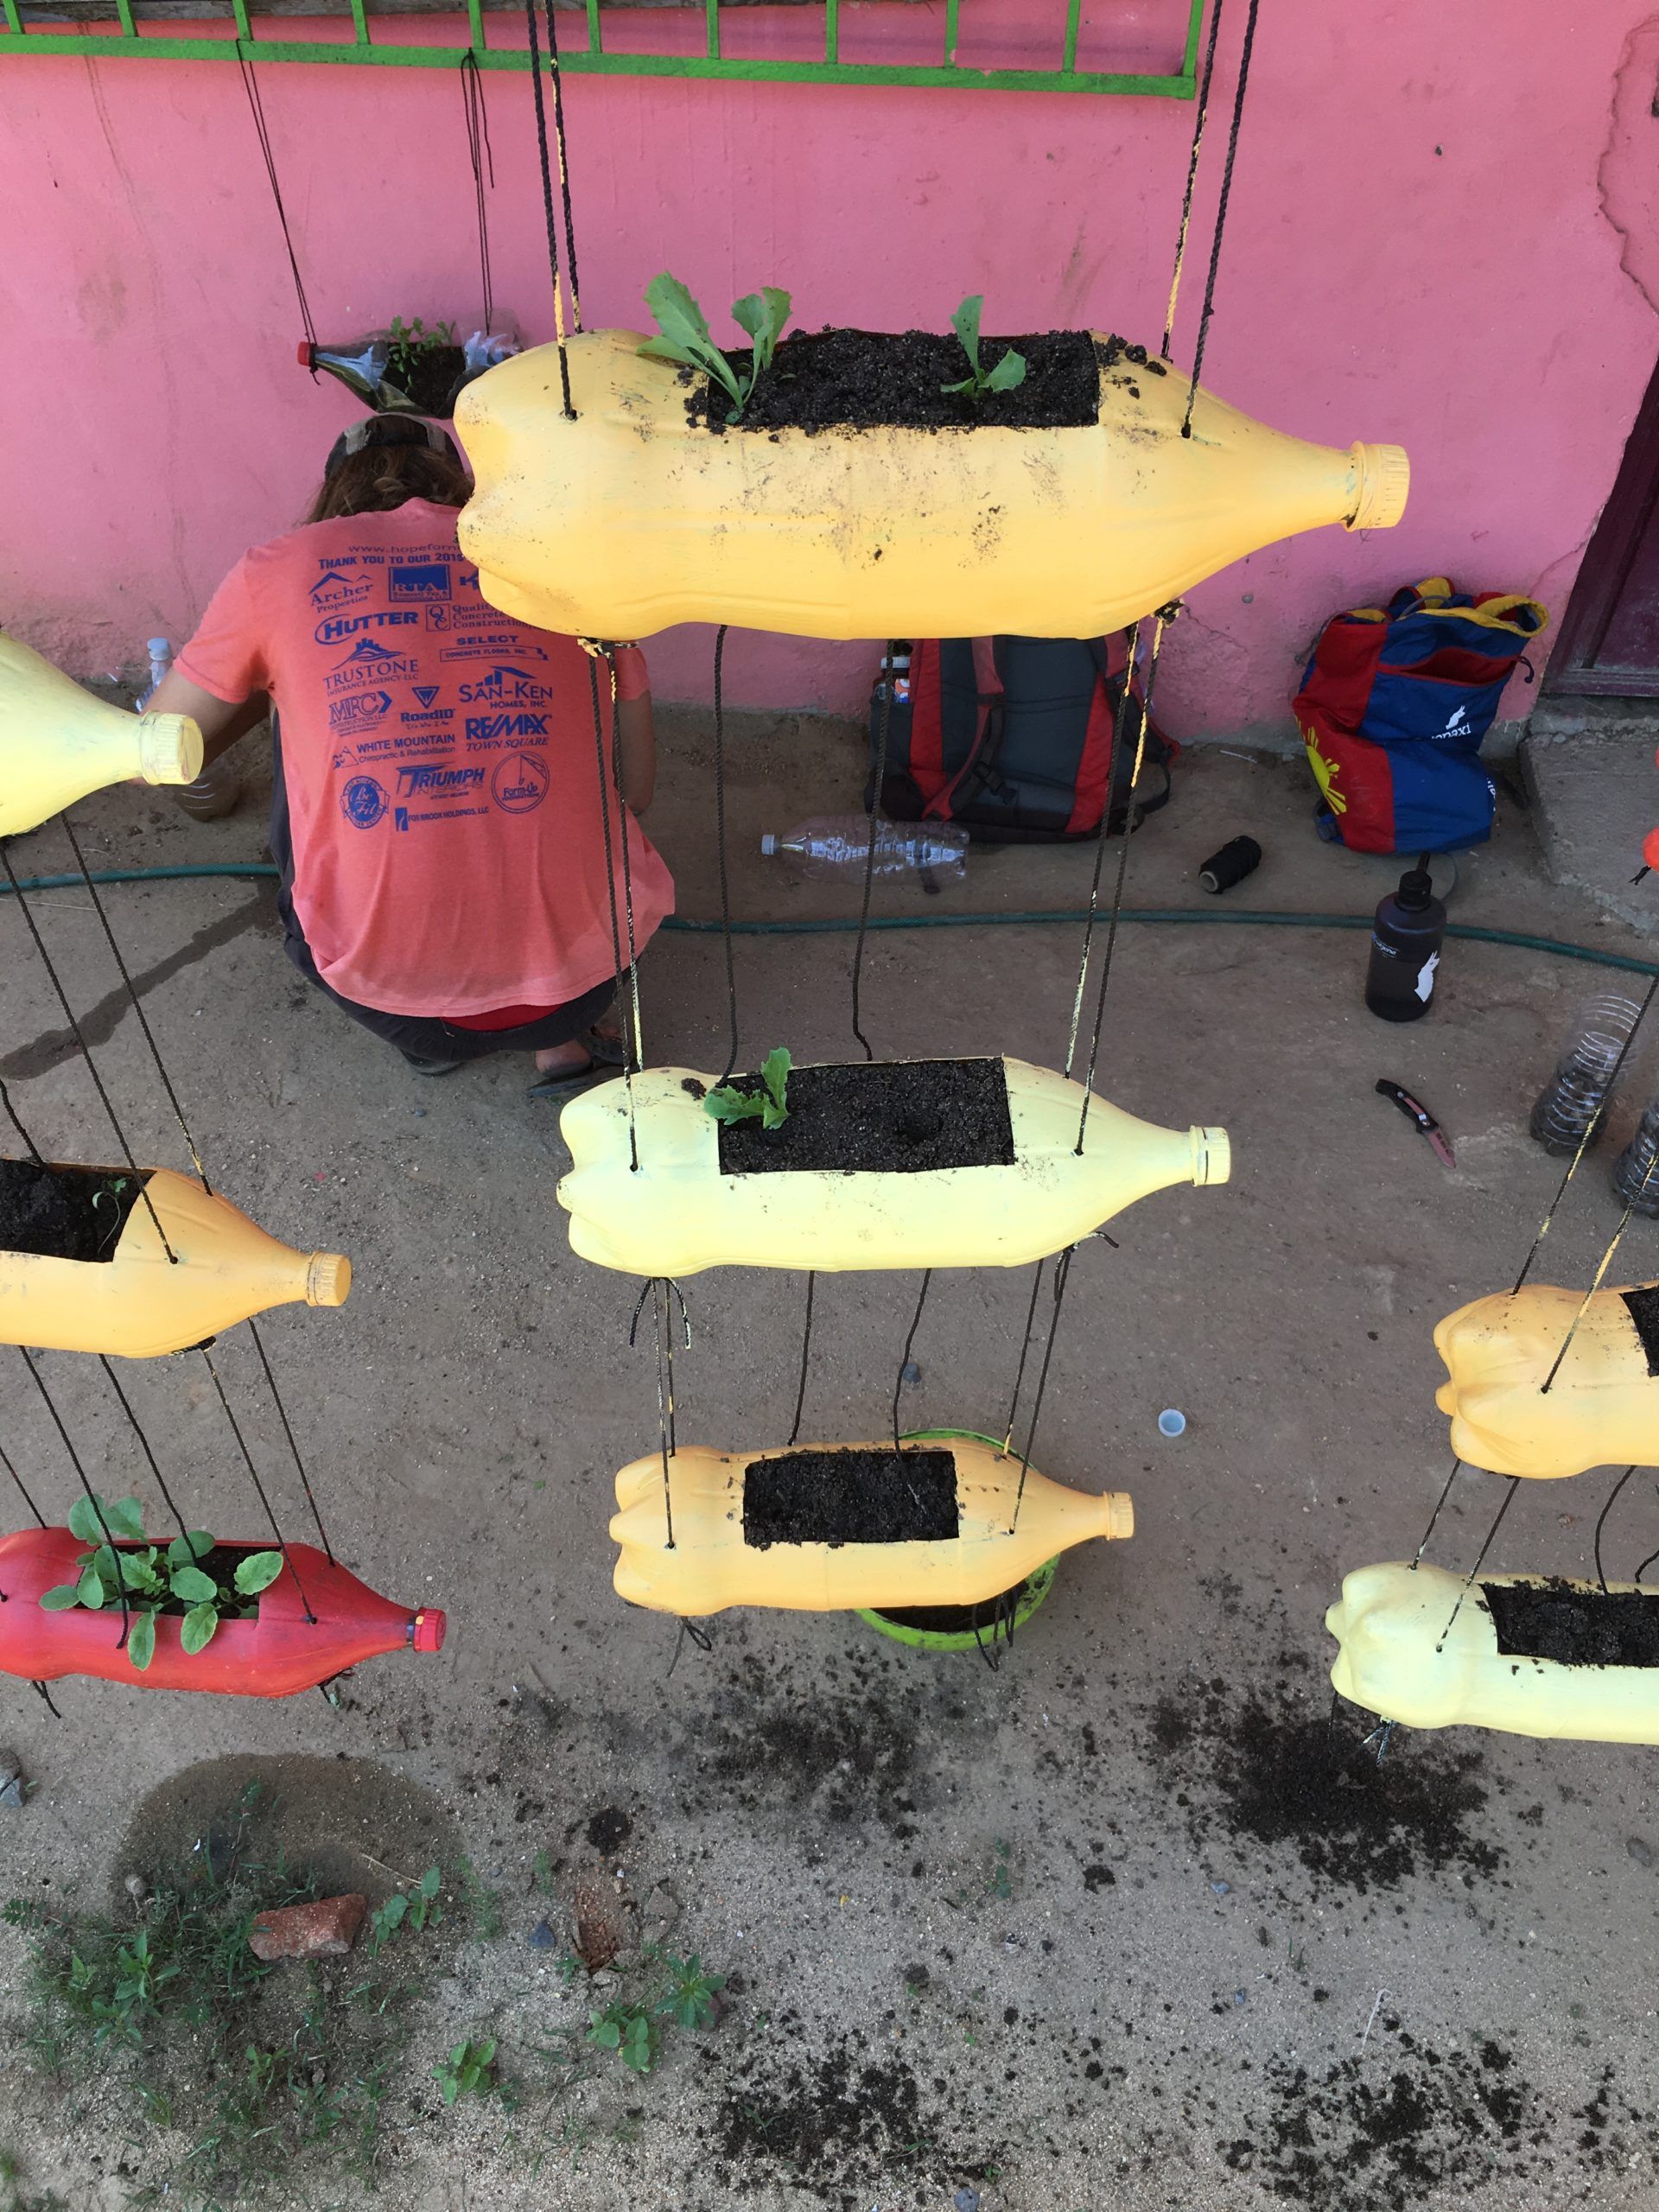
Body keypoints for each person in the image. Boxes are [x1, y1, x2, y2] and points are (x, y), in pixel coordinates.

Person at [149, 416, 671, 1099]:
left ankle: (434, 1047)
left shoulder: (278, 568)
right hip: (591, 979)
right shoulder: (562, 560)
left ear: (335, 493)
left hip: (392, 1001)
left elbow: (156, 750)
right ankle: (561, 1047)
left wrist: (274, 687)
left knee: (297, 709)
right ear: (462, 485)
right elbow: (636, 790)